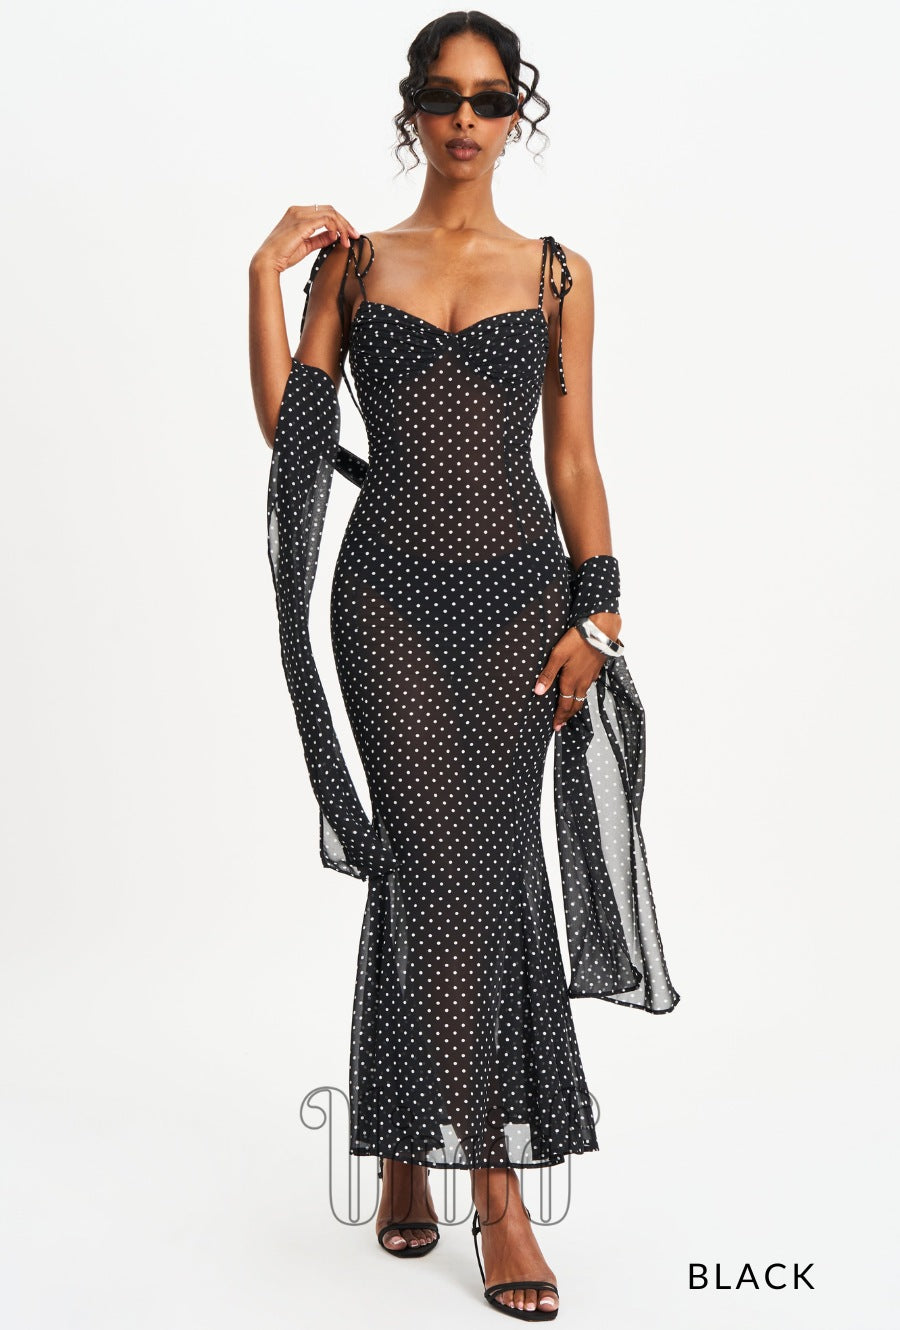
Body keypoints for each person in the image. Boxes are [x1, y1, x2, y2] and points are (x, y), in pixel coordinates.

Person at [249, 11, 680, 1321]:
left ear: (515, 115)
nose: (465, 120)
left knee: (479, 867)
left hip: (515, 604)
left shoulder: (557, 274)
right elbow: (292, 434)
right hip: (383, 601)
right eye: (443, 96)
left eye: (490, 100)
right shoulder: (356, 264)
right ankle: (484, 1175)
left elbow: (575, 458)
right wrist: (261, 279)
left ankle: (425, 1154)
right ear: (412, 109)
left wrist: (598, 617)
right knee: (425, 855)